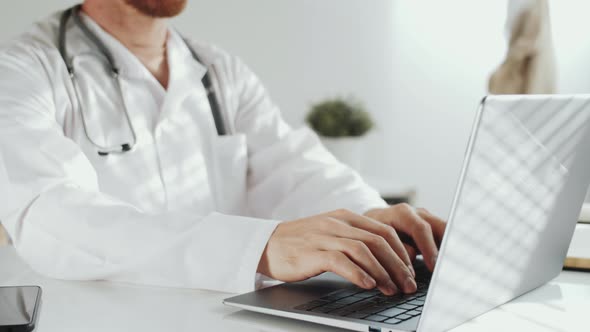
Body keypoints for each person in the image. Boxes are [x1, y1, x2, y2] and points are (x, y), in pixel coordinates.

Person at [0, 0, 446, 295]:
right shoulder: (22, 72)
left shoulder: (218, 71)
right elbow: (48, 214)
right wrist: (258, 246)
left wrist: (368, 221)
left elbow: (293, 167)